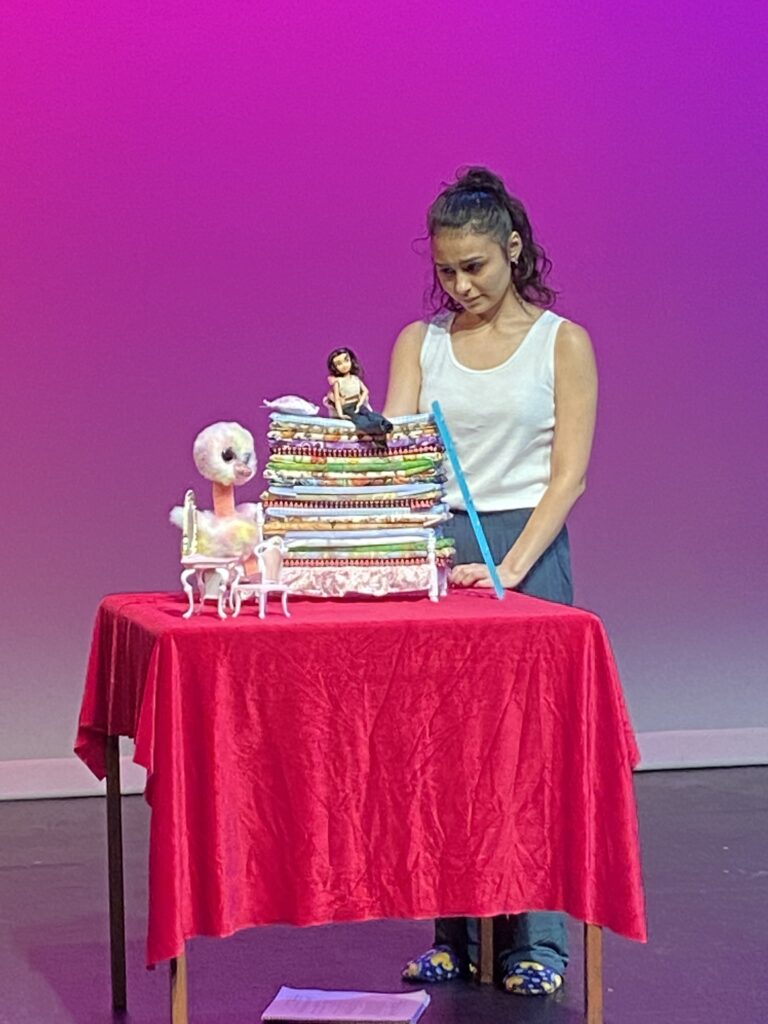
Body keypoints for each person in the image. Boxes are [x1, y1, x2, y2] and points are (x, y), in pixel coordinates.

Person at [382, 167, 598, 996]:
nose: (461, 284)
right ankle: (452, 931)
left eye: (475, 265)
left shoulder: (561, 342)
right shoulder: (421, 343)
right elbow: (398, 458)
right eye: (446, 270)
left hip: (525, 550)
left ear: (513, 248)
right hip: (443, 547)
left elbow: (567, 477)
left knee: (527, 750)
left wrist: (507, 568)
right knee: (443, 750)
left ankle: (535, 943)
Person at [327, 346, 393, 445]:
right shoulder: (338, 382)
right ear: (335, 367)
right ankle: (378, 433)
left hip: (357, 404)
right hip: (347, 407)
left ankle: (385, 425)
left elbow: (365, 391)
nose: (344, 365)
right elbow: (336, 398)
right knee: (361, 421)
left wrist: (360, 403)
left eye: (346, 360)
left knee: (371, 415)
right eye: (339, 364)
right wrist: (340, 413)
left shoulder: (355, 378)